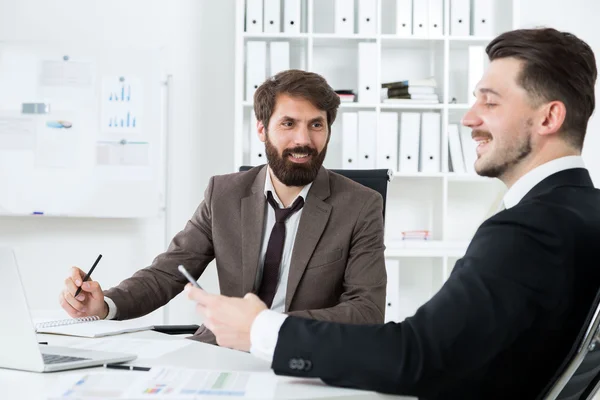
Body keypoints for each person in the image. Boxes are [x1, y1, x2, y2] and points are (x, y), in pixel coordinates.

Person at [185, 27, 600, 399]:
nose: (469, 118)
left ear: (549, 117)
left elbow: (416, 356)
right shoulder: (582, 211)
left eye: (489, 103)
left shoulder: (526, 231)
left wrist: (260, 328)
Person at [58, 69, 387, 344]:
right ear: (261, 129)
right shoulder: (225, 193)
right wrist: (106, 305)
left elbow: (367, 310)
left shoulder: (360, 205)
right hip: (221, 350)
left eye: (316, 125)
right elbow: (166, 273)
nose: (303, 140)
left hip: (304, 354)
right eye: (288, 124)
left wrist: (263, 328)